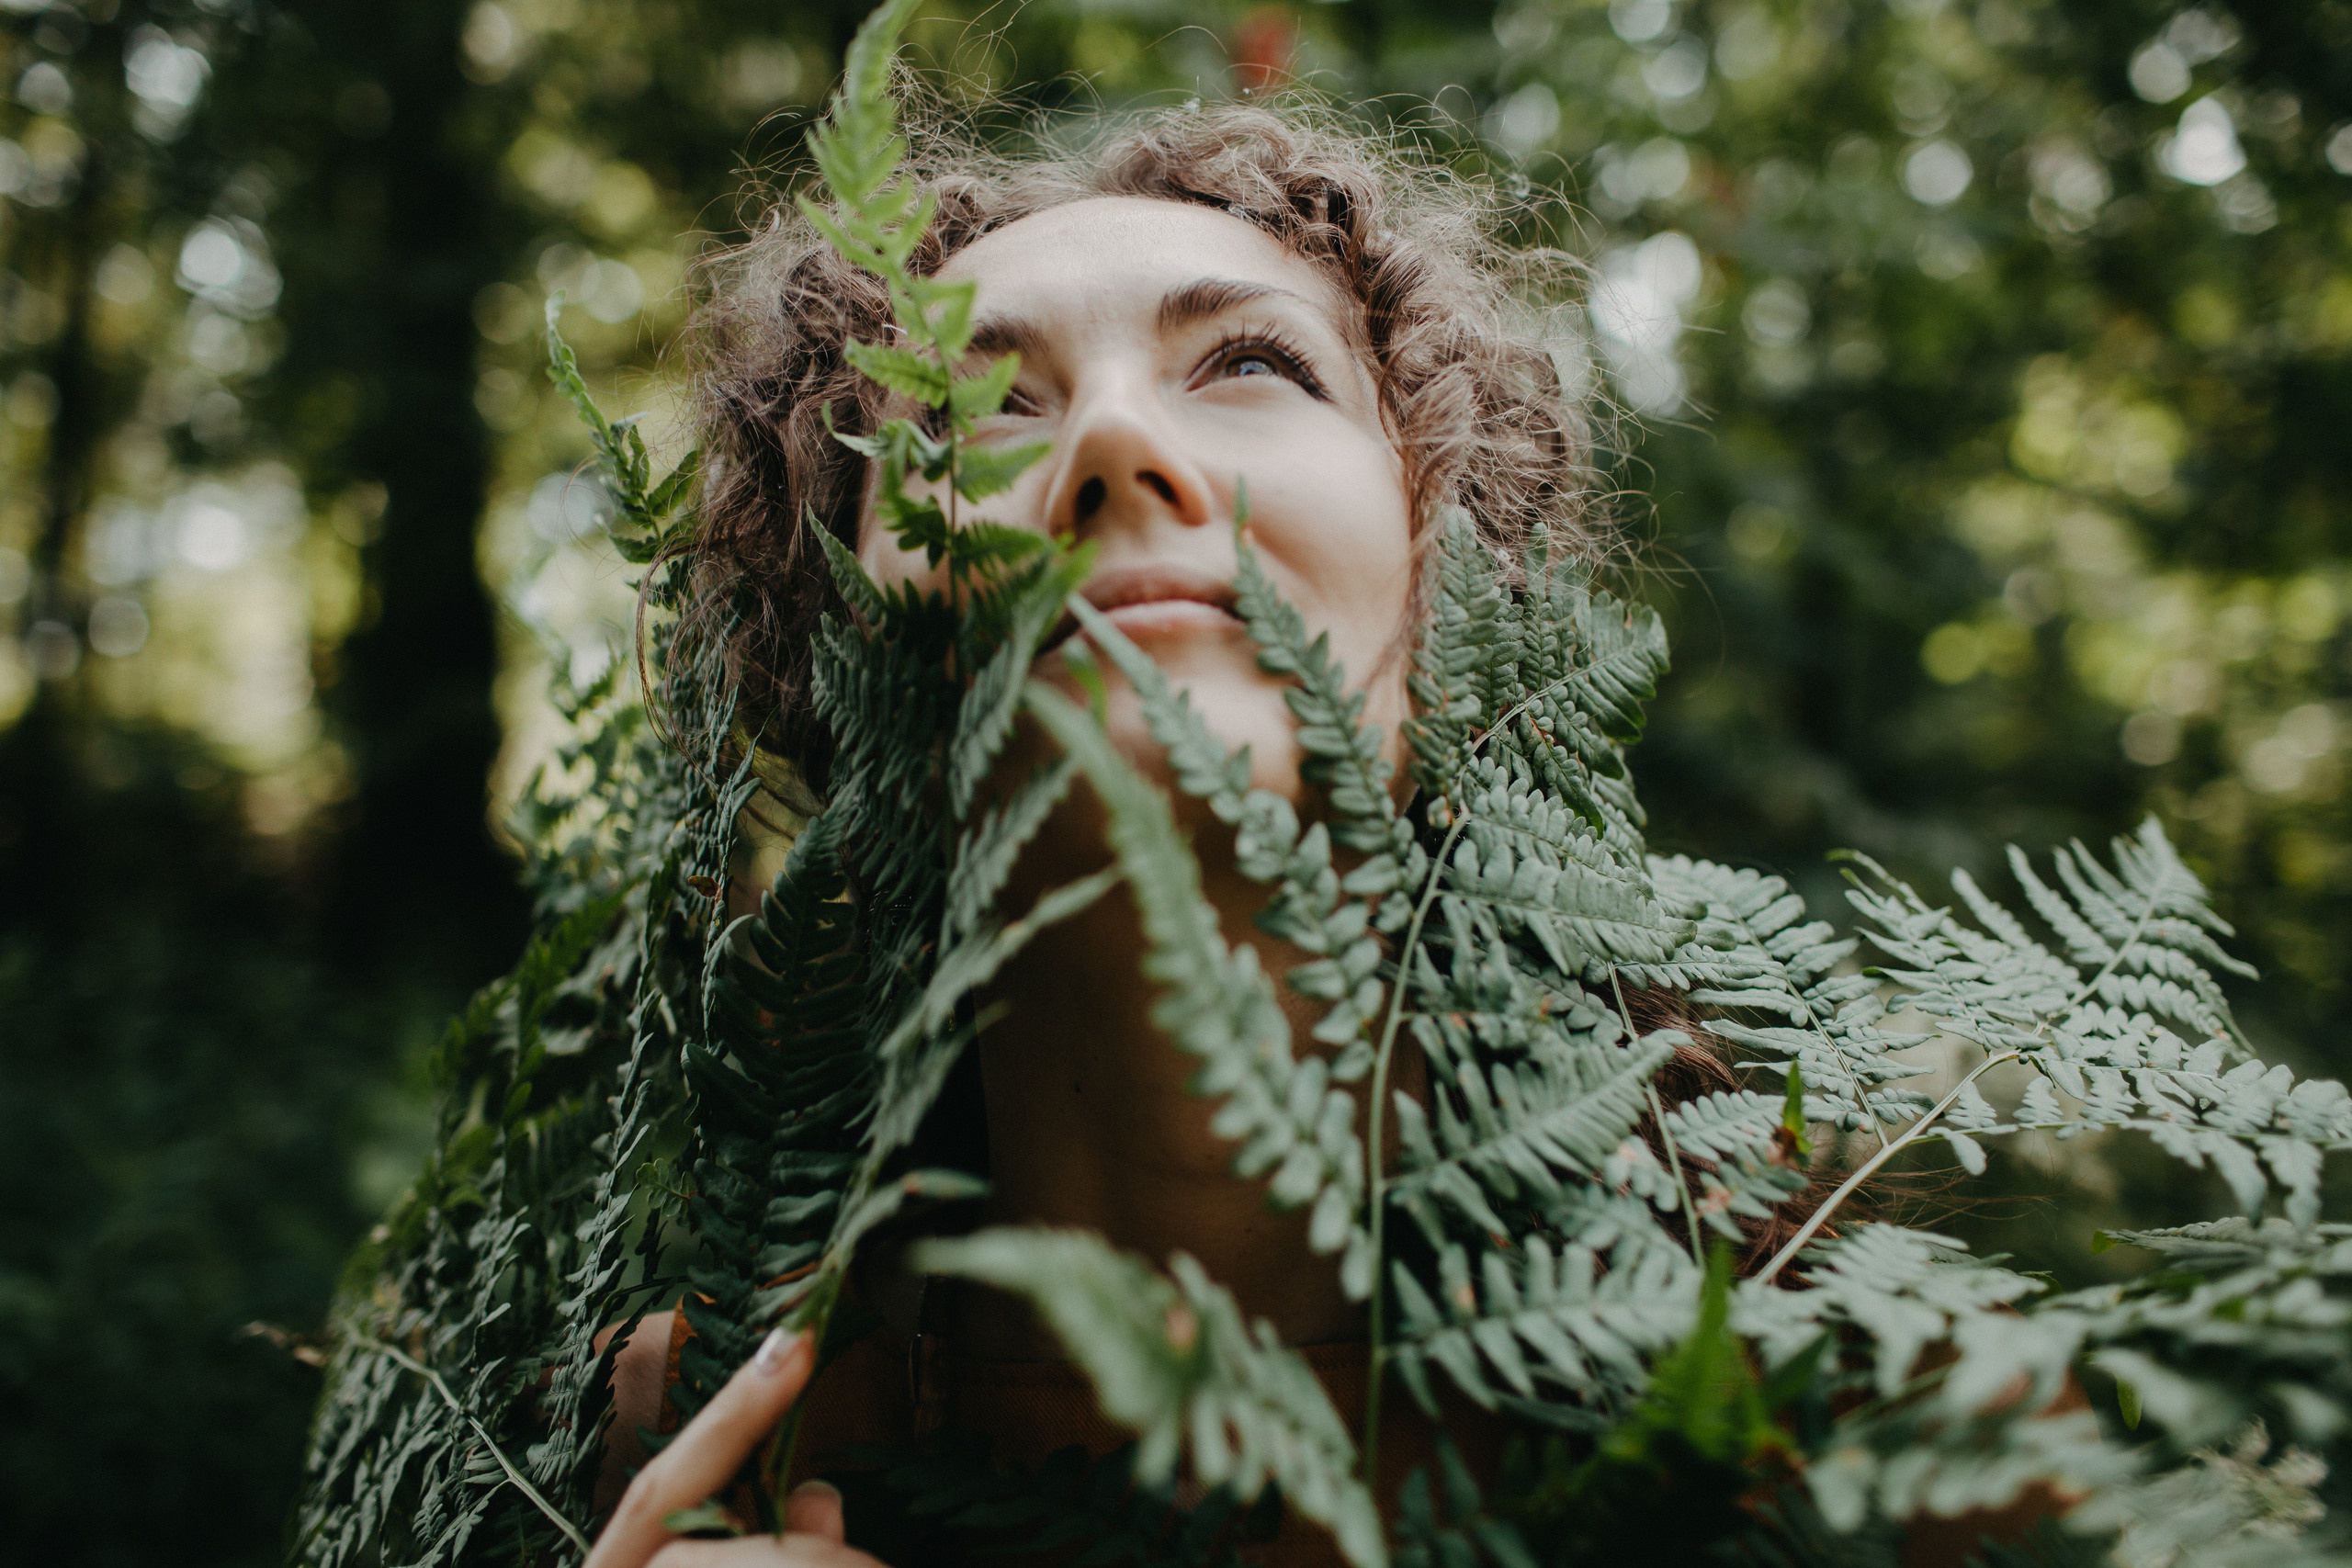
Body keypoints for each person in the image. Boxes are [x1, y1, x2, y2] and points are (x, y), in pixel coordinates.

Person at [583, 101, 2036, 1568]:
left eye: (1250, 366)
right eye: (969, 410)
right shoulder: (690, 1448)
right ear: (841, 633)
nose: (1110, 450)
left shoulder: (1893, 1437)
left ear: (1452, 552)